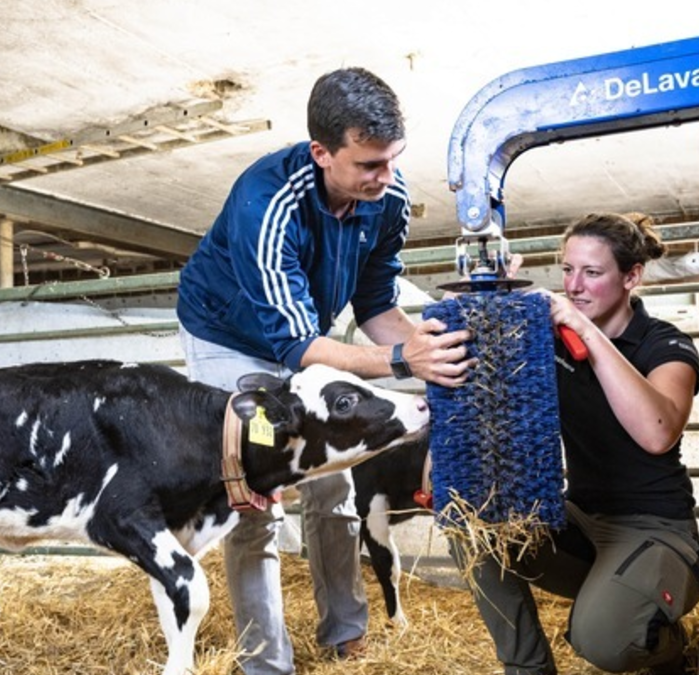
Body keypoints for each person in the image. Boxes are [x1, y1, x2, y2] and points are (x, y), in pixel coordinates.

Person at [175, 66, 475, 675]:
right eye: (369, 164)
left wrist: (429, 347)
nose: (386, 178)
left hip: (307, 333)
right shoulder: (267, 202)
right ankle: (265, 660)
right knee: (253, 496)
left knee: (334, 482)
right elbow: (291, 344)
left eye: (392, 160)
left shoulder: (385, 198)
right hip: (229, 336)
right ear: (321, 153)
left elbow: (375, 307)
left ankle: (346, 632)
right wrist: (397, 360)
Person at [455, 211, 699, 675]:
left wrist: (586, 332)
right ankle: (529, 669)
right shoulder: (550, 341)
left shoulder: (664, 345)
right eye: (568, 270)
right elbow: (493, 394)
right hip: (582, 523)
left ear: (632, 277)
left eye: (593, 272)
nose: (574, 286)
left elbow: (657, 432)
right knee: (471, 520)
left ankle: (664, 643)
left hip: (657, 531)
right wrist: (499, 314)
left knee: (605, 643)